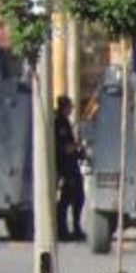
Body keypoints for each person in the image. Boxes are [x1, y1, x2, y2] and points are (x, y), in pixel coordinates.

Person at [55, 96, 86, 240]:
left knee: (77, 198)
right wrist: (77, 146)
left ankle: (75, 227)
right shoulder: (59, 124)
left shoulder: (66, 123)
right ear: (64, 107)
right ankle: (62, 230)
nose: (71, 109)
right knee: (66, 200)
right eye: (70, 106)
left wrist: (79, 152)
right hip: (65, 167)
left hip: (71, 165)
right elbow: (64, 147)